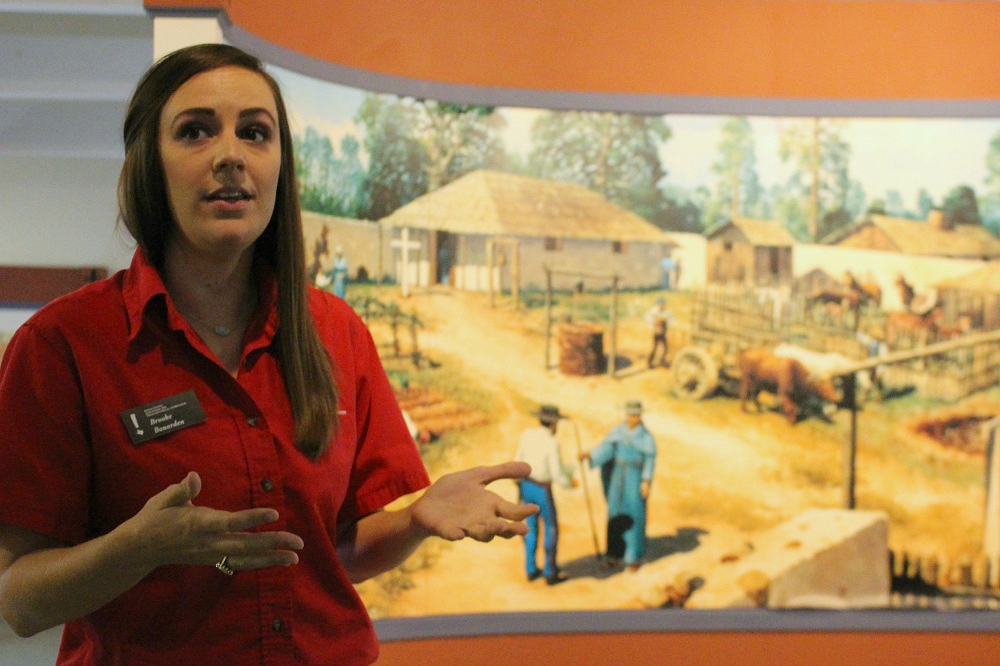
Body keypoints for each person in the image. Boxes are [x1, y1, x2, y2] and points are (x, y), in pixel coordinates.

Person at [0, 44, 536, 666]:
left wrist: (417, 519)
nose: (231, 155)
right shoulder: (62, 345)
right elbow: (19, 600)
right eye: (196, 131)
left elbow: (327, 556)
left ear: (280, 165)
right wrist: (137, 548)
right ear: (150, 162)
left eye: (255, 133)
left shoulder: (337, 333)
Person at [579, 400, 656, 572]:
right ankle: (613, 553)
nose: (633, 418)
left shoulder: (646, 437)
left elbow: (650, 460)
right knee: (615, 512)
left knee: (634, 513)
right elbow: (607, 449)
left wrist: (646, 481)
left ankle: (633, 556)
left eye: (636, 415)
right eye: (630, 414)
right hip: (617, 476)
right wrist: (590, 455)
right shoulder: (618, 432)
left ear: (640, 416)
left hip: (635, 477)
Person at [514, 404, 576, 585]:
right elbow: (556, 473)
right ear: (554, 423)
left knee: (530, 528)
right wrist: (569, 483)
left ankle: (531, 569)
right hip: (542, 489)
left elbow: (517, 460)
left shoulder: (527, 435)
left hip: (526, 485)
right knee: (551, 528)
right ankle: (550, 572)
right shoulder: (551, 442)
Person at [644, 297, 673, 368]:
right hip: (656, 333)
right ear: (658, 304)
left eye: (663, 304)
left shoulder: (666, 311)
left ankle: (662, 360)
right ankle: (649, 362)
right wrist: (654, 326)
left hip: (663, 332)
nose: (661, 305)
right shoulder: (653, 311)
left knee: (665, 348)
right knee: (655, 347)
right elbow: (647, 318)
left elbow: (670, 320)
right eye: (660, 304)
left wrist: (666, 323)